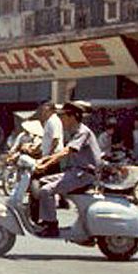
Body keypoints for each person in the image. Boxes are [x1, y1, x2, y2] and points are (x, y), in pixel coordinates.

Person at [33, 101, 101, 237]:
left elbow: (66, 151)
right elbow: (63, 152)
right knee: (41, 182)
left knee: (46, 190)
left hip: (84, 174)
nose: (61, 119)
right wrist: (43, 160)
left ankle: (52, 225)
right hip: (76, 172)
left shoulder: (83, 132)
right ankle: (44, 219)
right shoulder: (74, 131)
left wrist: (46, 164)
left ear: (73, 117)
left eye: (63, 116)